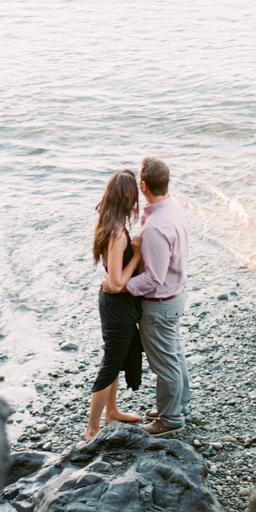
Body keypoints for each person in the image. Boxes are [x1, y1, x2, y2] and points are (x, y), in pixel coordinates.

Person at [103, 157, 190, 437]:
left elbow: (154, 278)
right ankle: (178, 405)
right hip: (175, 296)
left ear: (142, 185)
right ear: (166, 182)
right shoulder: (173, 207)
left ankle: (171, 419)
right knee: (174, 357)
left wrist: (120, 286)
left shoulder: (154, 227)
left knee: (165, 363)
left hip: (160, 304)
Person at [85, 169, 145, 440]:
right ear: (127, 198)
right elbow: (118, 282)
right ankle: (92, 428)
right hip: (117, 307)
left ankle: (112, 412)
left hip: (112, 304)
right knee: (110, 364)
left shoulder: (106, 222)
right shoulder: (119, 233)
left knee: (116, 358)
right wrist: (138, 256)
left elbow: (112, 278)